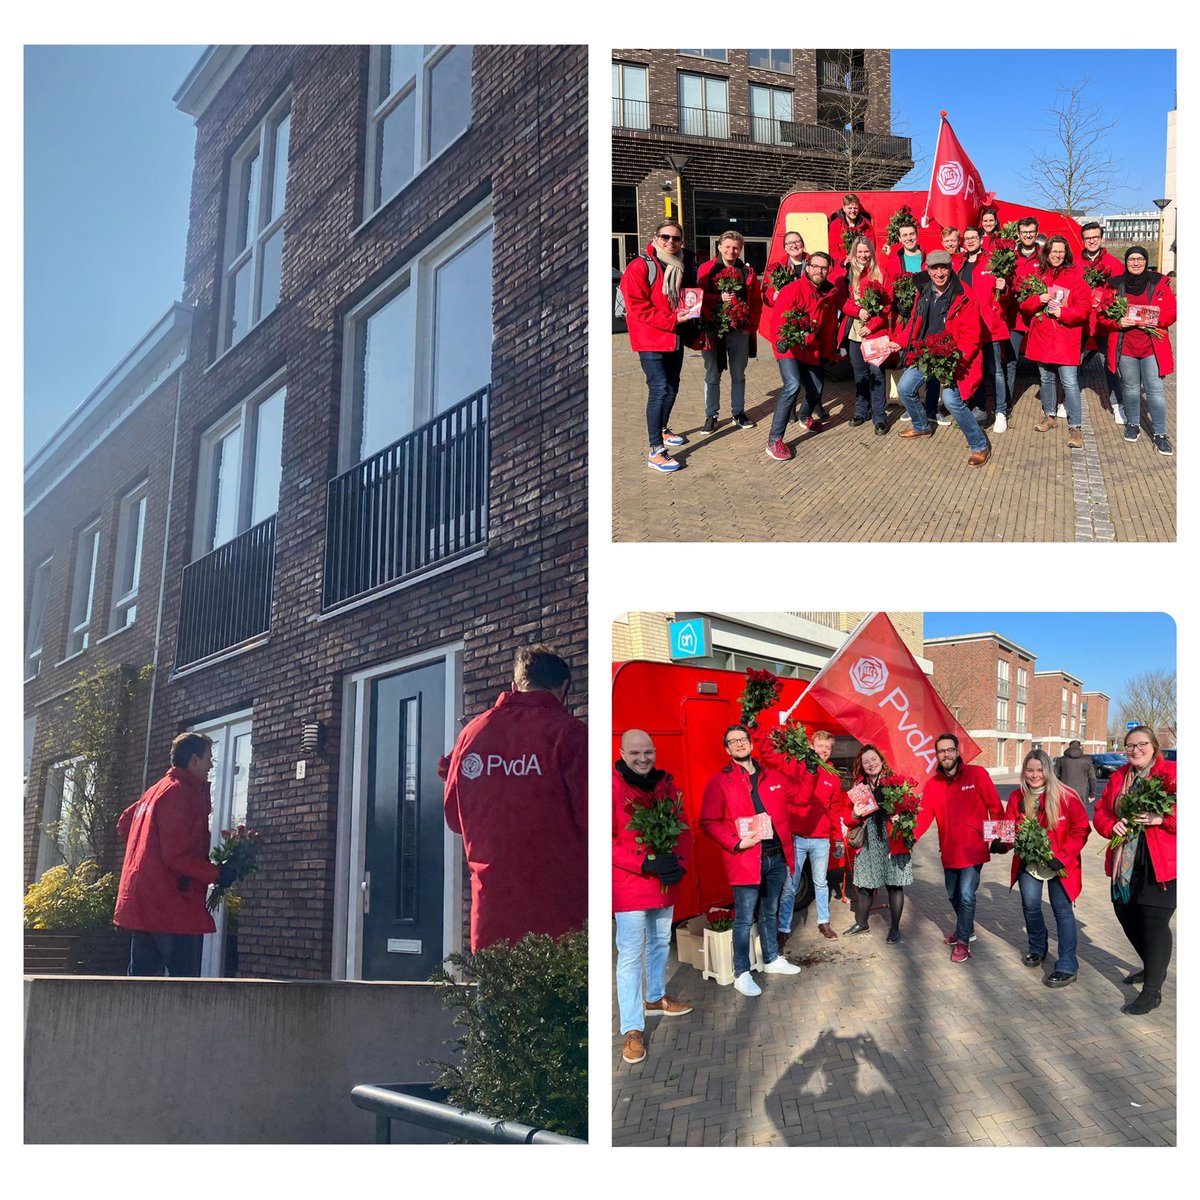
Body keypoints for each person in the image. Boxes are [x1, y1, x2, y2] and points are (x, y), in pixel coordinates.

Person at [444, 645, 587, 952]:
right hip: (561, 919)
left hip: (492, 918)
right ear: (563, 690)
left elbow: (456, 819)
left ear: (514, 684)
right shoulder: (571, 735)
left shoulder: (473, 733)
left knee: (494, 996)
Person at [114, 732, 234, 976]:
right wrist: (217, 874)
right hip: (170, 903)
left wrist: (147, 857)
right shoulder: (179, 793)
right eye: (209, 757)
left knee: (141, 984)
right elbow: (176, 855)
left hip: (145, 902)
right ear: (194, 759)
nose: (212, 764)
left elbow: (125, 824)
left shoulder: (155, 791)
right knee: (183, 987)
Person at [700, 724, 801, 996]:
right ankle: (741, 972)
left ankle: (771, 959)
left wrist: (811, 769)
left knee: (770, 912)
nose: (739, 744)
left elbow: (801, 797)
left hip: (776, 857)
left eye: (743, 739)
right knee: (744, 919)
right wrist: (736, 842)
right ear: (727, 749)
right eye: (733, 741)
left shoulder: (771, 775)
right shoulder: (720, 781)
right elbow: (707, 822)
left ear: (750, 743)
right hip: (746, 858)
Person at [613, 729, 693, 1066]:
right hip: (631, 885)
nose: (642, 758)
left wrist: (680, 864)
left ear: (655, 751)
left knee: (661, 942)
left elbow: (683, 828)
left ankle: (655, 996)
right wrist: (643, 861)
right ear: (622, 752)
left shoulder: (666, 786)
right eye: (635, 753)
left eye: (647, 752)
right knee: (630, 955)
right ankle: (632, 1028)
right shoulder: (612, 786)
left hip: (663, 884)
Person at [1091, 726, 1177, 1015]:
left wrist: (1161, 818)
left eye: (1141, 744)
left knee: (1153, 921)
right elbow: (1101, 812)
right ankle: (1154, 965)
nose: (1135, 750)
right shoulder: (1119, 777)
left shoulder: (1172, 774)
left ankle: (1152, 990)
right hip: (1125, 862)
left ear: (1153, 746)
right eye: (1129, 746)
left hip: (1161, 863)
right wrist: (1109, 825)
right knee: (1125, 913)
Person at [894, 250, 992, 467]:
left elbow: (971, 336)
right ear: (927, 270)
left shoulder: (964, 295)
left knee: (951, 400)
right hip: (927, 352)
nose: (939, 273)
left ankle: (979, 445)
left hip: (954, 356)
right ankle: (922, 427)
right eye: (934, 268)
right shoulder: (925, 290)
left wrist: (954, 361)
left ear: (950, 268)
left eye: (943, 267)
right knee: (904, 389)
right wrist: (899, 341)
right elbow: (914, 322)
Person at [1003, 750, 1091, 987]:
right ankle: (1037, 947)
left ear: (1048, 771)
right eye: (1030, 770)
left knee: (1062, 911)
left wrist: (1062, 857)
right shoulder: (1016, 797)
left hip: (1060, 864)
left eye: (1039, 770)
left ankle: (1067, 964)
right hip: (1030, 864)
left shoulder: (1066, 796)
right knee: (1030, 905)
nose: (1034, 775)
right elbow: (1009, 828)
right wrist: (1001, 842)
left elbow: (1081, 830)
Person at [752, 725, 847, 943]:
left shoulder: (833, 778)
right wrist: (756, 731)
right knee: (790, 885)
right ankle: (784, 927)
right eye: (820, 746)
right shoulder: (798, 767)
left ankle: (824, 922)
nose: (823, 751)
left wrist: (838, 839)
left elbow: (834, 810)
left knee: (821, 883)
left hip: (821, 840)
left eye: (827, 748)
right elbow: (770, 757)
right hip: (796, 838)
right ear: (811, 747)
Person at [619, 220, 700, 473]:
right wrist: (672, 319)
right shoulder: (640, 266)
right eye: (665, 237)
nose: (670, 242)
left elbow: (686, 299)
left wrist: (691, 323)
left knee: (673, 386)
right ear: (656, 238)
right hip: (651, 338)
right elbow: (636, 307)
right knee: (659, 388)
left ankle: (663, 430)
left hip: (673, 336)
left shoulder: (681, 265)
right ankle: (655, 450)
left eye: (676, 239)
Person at [921, 733, 1006, 961]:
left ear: (958, 751)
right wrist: (905, 838)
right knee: (952, 894)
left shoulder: (977, 774)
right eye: (941, 751)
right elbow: (923, 816)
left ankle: (962, 943)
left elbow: (995, 806)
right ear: (937, 755)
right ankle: (965, 928)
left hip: (973, 849)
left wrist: (999, 838)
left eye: (950, 750)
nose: (946, 754)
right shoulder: (932, 785)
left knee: (967, 894)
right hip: (949, 850)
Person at [1095, 246, 1177, 456]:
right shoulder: (1115, 286)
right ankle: (1133, 424)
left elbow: (1172, 311)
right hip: (1127, 347)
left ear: (1146, 261)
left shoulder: (1158, 284)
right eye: (1131, 259)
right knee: (1130, 389)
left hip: (1152, 348)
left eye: (1140, 259)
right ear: (1126, 262)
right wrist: (1118, 321)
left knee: (1155, 392)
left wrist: (1153, 320)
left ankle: (1160, 434)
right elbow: (1102, 316)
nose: (1136, 263)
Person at [764, 252, 839, 459]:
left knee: (817, 390)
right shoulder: (792, 290)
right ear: (807, 267)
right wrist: (780, 341)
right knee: (792, 385)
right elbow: (778, 321)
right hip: (788, 346)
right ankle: (774, 440)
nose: (819, 271)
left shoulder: (829, 294)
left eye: (824, 268)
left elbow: (827, 326)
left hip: (811, 348)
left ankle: (805, 417)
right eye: (816, 266)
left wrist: (828, 351)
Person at [1019, 234, 1088, 449]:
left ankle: (1075, 425)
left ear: (1066, 253)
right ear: (1046, 253)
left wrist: (1064, 312)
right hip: (1042, 337)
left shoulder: (1075, 276)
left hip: (1065, 337)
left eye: (1061, 251)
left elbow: (1084, 308)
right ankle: (1049, 414)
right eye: (1053, 251)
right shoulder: (1038, 275)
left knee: (1069, 382)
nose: (1057, 255)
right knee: (1046, 379)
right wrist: (1036, 300)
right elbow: (1023, 305)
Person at [843, 744, 911, 943]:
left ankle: (895, 928)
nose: (871, 764)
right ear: (861, 766)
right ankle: (862, 923)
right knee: (865, 884)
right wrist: (855, 812)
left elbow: (909, 808)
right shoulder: (858, 786)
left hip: (892, 839)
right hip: (869, 840)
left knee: (894, 885)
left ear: (881, 760)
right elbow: (848, 818)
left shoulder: (894, 782)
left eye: (873, 759)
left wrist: (901, 815)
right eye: (866, 762)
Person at [698, 230, 762, 433]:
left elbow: (757, 303)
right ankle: (711, 415)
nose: (731, 251)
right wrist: (716, 299)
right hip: (713, 331)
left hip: (739, 332)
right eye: (727, 247)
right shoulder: (706, 270)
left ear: (740, 249)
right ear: (719, 247)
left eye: (735, 247)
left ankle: (738, 412)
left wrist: (749, 328)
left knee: (738, 375)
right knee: (712, 374)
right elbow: (697, 297)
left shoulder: (748, 273)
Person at [958, 225, 1011, 432]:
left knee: (996, 370)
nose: (970, 240)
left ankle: (1000, 412)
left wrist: (1004, 289)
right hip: (970, 328)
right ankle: (979, 407)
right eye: (967, 237)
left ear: (981, 239)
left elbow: (1007, 291)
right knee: (974, 368)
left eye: (974, 237)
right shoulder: (960, 264)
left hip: (991, 325)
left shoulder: (992, 261)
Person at [838, 237, 892, 436]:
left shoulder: (881, 273)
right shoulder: (847, 274)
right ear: (853, 253)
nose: (863, 255)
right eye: (859, 252)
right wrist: (857, 310)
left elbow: (887, 306)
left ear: (872, 252)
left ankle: (879, 416)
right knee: (859, 375)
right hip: (854, 333)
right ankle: (862, 411)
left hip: (875, 333)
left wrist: (872, 325)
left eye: (866, 252)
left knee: (877, 375)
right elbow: (840, 300)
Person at [1078, 221, 1126, 425]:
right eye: (1088, 238)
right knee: (1071, 363)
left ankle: (1118, 405)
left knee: (1111, 364)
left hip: (1103, 322)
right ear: (1083, 240)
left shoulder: (1114, 264)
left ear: (1101, 238)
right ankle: (1064, 401)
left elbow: (1121, 293)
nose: (1091, 241)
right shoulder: (1076, 264)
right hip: (1080, 321)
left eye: (1095, 237)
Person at [1006, 215, 1043, 408]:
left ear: (1036, 233)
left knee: (1045, 362)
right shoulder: (1010, 257)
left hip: (1040, 316)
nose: (1027, 235)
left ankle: (1050, 404)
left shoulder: (1045, 256)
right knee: (1011, 361)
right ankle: (1006, 403)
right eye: (1024, 232)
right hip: (1016, 318)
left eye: (1031, 232)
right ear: (1018, 234)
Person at [828, 193, 875, 277]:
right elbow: (833, 248)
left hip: (862, 266)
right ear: (844, 208)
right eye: (850, 208)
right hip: (842, 267)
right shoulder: (835, 224)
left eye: (855, 208)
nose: (853, 211)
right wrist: (843, 260)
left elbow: (871, 246)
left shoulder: (866, 225)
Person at [762, 230, 809, 307]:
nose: (794, 246)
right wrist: (774, 296)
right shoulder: (777, 268)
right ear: (785, 247)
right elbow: (767, 295)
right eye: (790, 243)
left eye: (797, 242)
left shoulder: (814, 264)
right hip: (786, 311)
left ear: (802, 244)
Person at [1055, 739, 1098, 808]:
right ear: (1079, 747)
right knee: (1079, 816)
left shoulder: (1061, 760)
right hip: (1080, 794)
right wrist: (1092, 794)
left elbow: (1054, 776)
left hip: (1064, 793)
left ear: (1069, 747)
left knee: (1064, 815)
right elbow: (1092, 779)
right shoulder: (1087, 761)